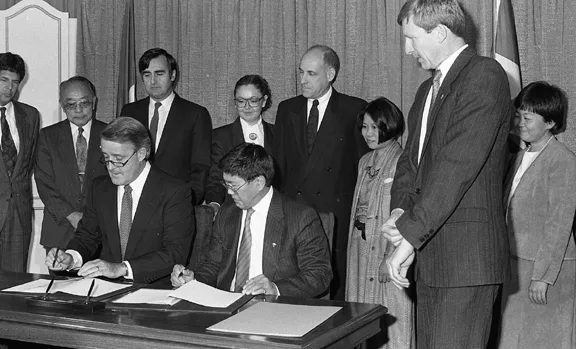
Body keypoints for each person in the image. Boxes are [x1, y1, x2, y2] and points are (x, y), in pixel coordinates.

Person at [381, 1, 513, 348]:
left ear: (439, 32)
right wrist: (399, 214)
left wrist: (408, 239)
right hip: (432, 255)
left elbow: (454, 169)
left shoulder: (484, 75)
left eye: (411, 38)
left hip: (466, 260)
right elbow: (411, 164)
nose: (407, 49)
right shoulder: (427, 89)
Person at [171, 143, 332, 298]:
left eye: (234, 186)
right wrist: (193, 281)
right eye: (226, 184)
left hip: (274, 310)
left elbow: (319, 274)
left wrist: (275, 288)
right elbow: (213, 266)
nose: (228, 192)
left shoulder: (300, 217)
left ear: (259, 183)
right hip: (226, 304)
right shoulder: (227, 212)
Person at [46, 117, 194, 283]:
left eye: (118, 159)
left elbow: (174, 253)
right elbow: (87, 236)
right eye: (106, 158)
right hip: (105, 290)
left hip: (153, 291)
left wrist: (121, 268)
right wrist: (71, 257)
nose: (110, 167)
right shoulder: (100, 188)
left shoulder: (174, 191)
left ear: (141, 154)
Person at [273, 44, 368, 300]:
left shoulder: (354, 109)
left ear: (331, 74)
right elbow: (278, 165)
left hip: (334, 213)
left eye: (311, 74)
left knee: (332, 287)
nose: (302, 80)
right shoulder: (287, 109)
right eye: (301, 72)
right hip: (295, 213)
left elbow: (363, 165)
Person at [498, 82, 576, 349]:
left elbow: (559, 223)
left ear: (551, 122)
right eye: (518, 115)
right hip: (516, 268)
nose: (520, 122)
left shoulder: (562, 160)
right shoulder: (520, 155)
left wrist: (542, 277)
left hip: (545, 272)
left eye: (528, 118)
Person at [346, 97, 414, 349]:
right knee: (360, 322)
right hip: (361, 252)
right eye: (365, 127)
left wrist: (390, 256)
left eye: (375, 127)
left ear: (391, 125)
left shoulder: (403, 161)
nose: (368, 133)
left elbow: (404, 215)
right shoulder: (364, 162)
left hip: (388, 253)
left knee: (392, 326)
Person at [120, 48, 212, 205]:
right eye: (147, 75)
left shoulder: (195, 114)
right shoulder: (129, 111)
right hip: (135, 201)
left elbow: (200, 167)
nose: (153, 81)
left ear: (173, 75)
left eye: (159, 73)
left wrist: (188, 203)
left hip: (177, 203)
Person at [35, 76, 108, 252]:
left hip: (101, 231)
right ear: (62, 105)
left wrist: (91, 220)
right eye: (71, 105)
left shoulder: (110, 133)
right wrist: (71, 215)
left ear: (94, 102)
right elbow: (44, 184)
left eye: (84, 103)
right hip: (59, 230)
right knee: (60, 280)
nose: (79, 110)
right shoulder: (47, 137)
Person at [205, 74, 274, 214]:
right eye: (241, 101)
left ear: (264, 101)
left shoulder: (278, 133)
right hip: (233, 210)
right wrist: (214, 203)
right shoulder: (219, 136)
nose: (247, 107)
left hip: (271, 209)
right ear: (235, 103)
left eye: (253, 100)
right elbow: (215, 177)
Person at [0, 52, 40, 272]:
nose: (10, 88)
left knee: (13, 284)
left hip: (18, 213)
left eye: (15, 82)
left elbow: (29, 163)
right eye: (3, 80)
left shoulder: (30, 116)